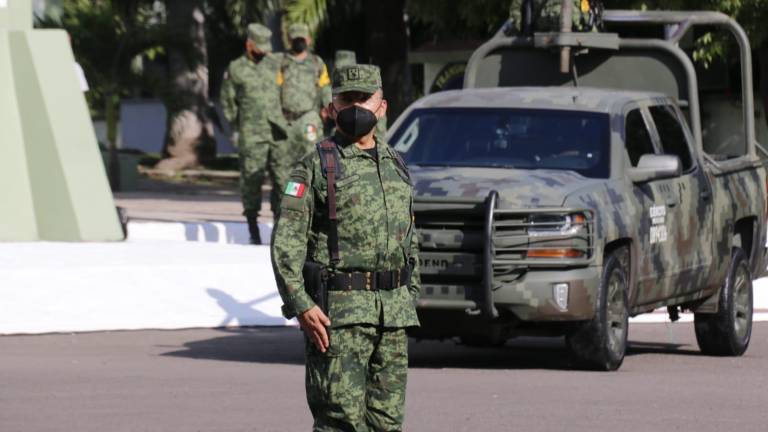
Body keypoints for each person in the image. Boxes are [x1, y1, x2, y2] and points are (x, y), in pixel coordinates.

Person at [271, 64, 420, 431]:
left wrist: (409, 294)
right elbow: (286, 243)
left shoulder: (396, 164)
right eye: (346, 99)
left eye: (364, 99)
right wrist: (301, 304)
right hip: (339, 319)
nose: (356, 107)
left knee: (387, 423)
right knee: (341, 423)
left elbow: (410, 239)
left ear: (382, 106)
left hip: (393, 318)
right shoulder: (315, 166)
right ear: (332, 107)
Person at [220, 23, 288, 244]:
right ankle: (253, 228)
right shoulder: (236, 68)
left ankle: (280, 227)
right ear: (249, 45)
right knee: (252, 180)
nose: (264, 51)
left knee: (282, 179)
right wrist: (237, 126)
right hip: (251, 132)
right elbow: (227, 101)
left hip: (277, 130)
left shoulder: (274, 64)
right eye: (259, 47)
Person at [279, 23, 332, 163]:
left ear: (308, 40)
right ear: (290, 41)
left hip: (310, 118)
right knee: (285, 162)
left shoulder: (317, 62)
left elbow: (325, 87)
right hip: (286, 120)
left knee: (312, 159)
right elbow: (274, 90)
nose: (299, 43)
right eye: (296, 40)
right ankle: (289, 186)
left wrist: (328, 107)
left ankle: (310, 185)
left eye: (302, 39)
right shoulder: (281, 62)